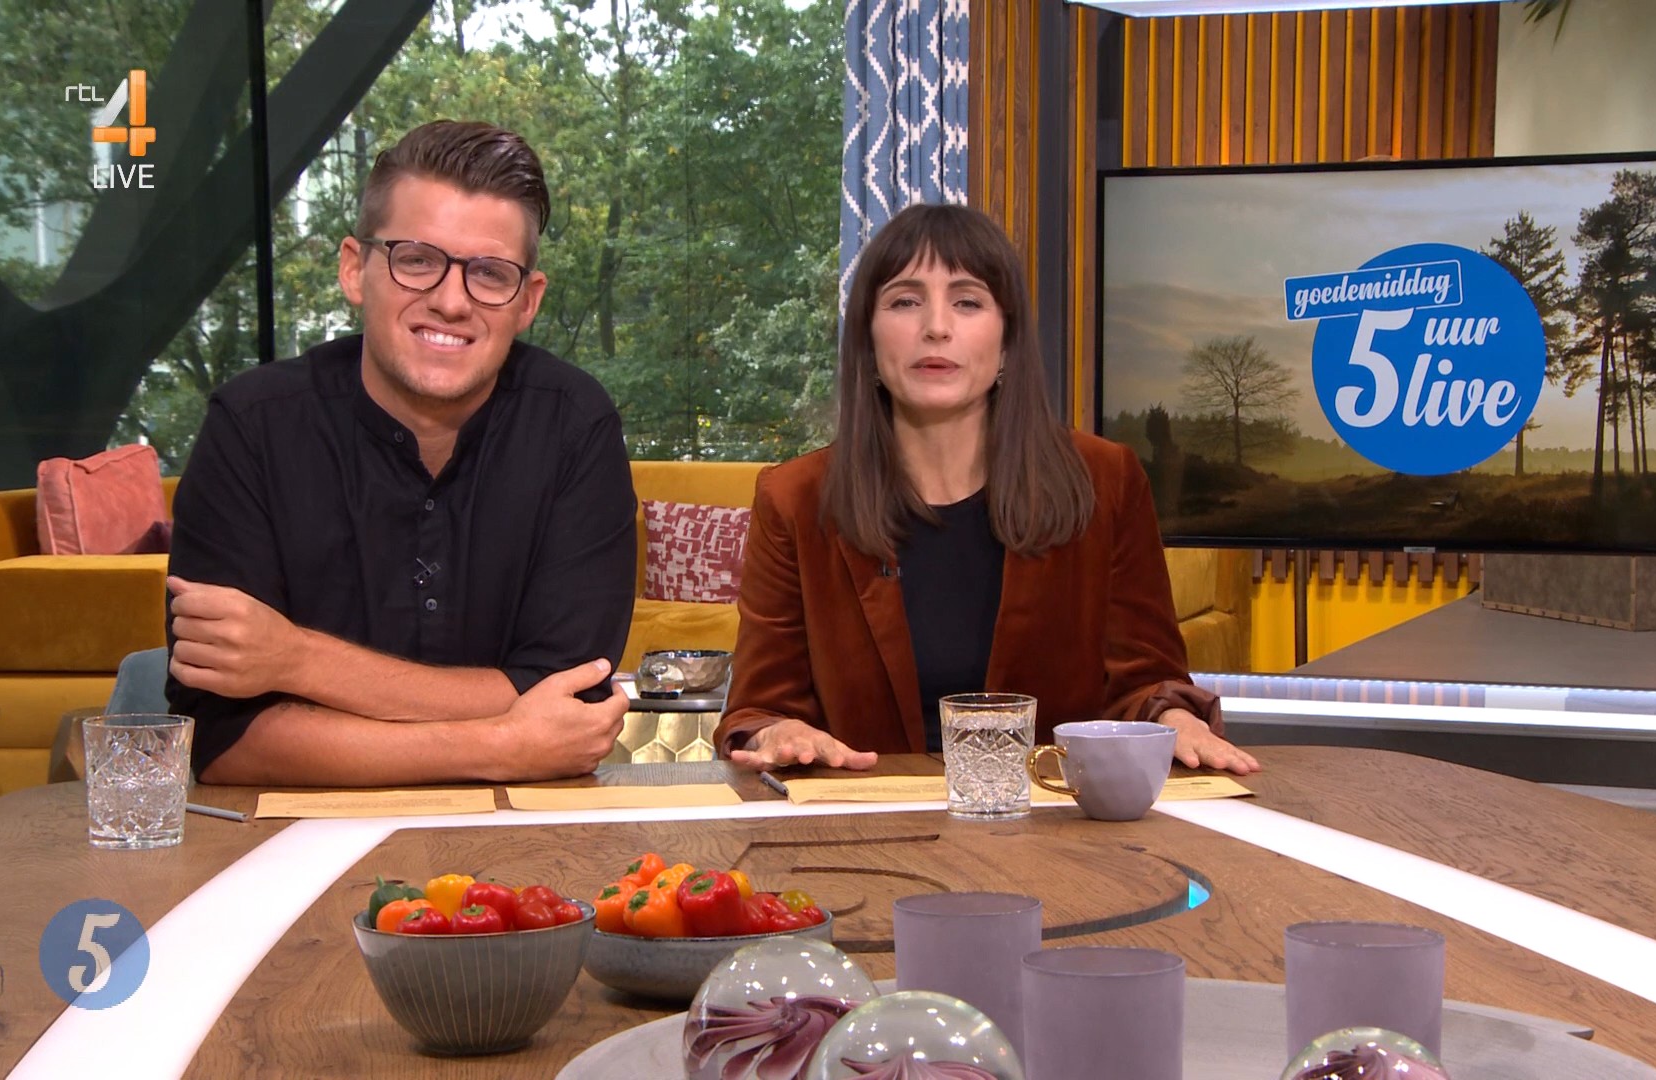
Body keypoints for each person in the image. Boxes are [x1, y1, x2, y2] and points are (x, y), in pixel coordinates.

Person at [165, 121, 635, 786]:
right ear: (354, 269)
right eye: (416, 260)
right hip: (288, 836)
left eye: (489, 273)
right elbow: (221, 743)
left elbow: (568, 702)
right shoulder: (251, 428)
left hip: (524, 839)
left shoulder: (575, 426)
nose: (450, 301)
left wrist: (296, 660)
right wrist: (501, 743)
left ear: (528, 301)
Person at [715, 203, 1259, 775]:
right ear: (868, 340)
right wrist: (780, 730)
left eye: (967, 302)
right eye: (905, 301)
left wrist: (1173, 718)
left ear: (1007, 341)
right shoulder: (795, 498)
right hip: (867, 813)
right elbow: (758, 707)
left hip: (1052, 813)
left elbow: (1145, 681)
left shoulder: (1106, 480)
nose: (936, 327)